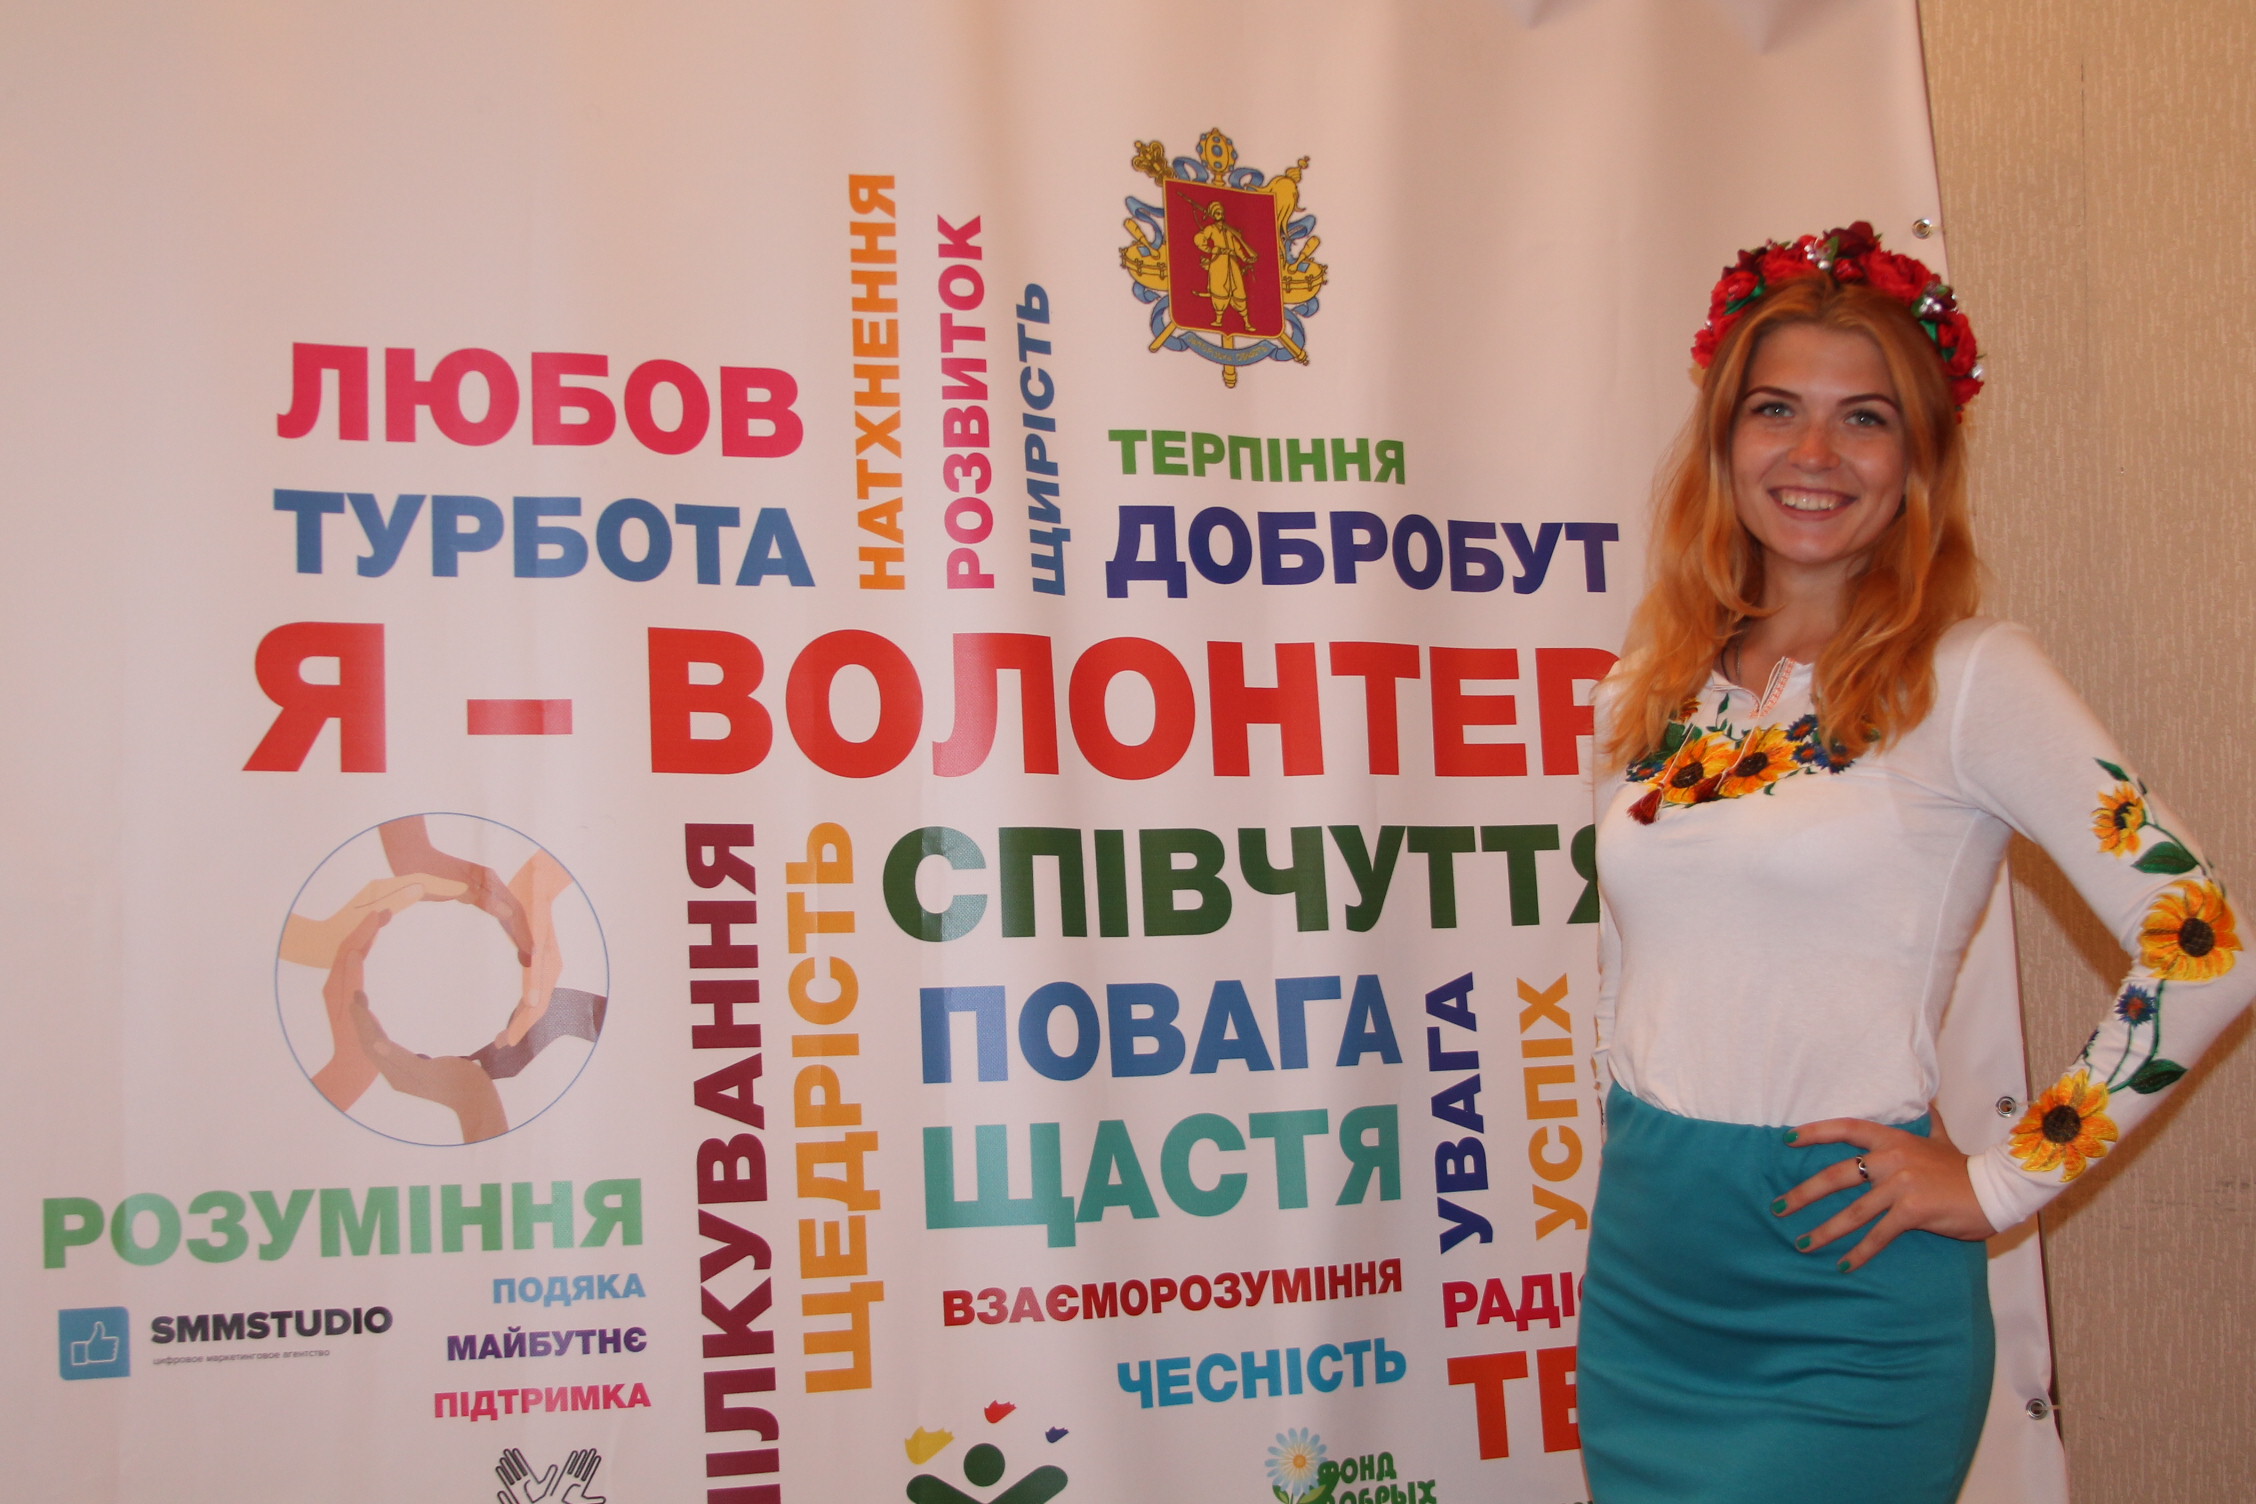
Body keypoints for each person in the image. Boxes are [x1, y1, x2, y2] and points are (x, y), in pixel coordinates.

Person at [1575, 222, 2249, 1504]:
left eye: (1865, 419)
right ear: (1724, 441)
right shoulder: (1648, 688)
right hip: (1647, 1279)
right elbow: (1639, 964)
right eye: (1777, 409)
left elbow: (2205, 943)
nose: (1813, 454)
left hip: (1844, 1296)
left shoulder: (1974, 677)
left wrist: (2001, 1182)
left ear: (1918, 462)